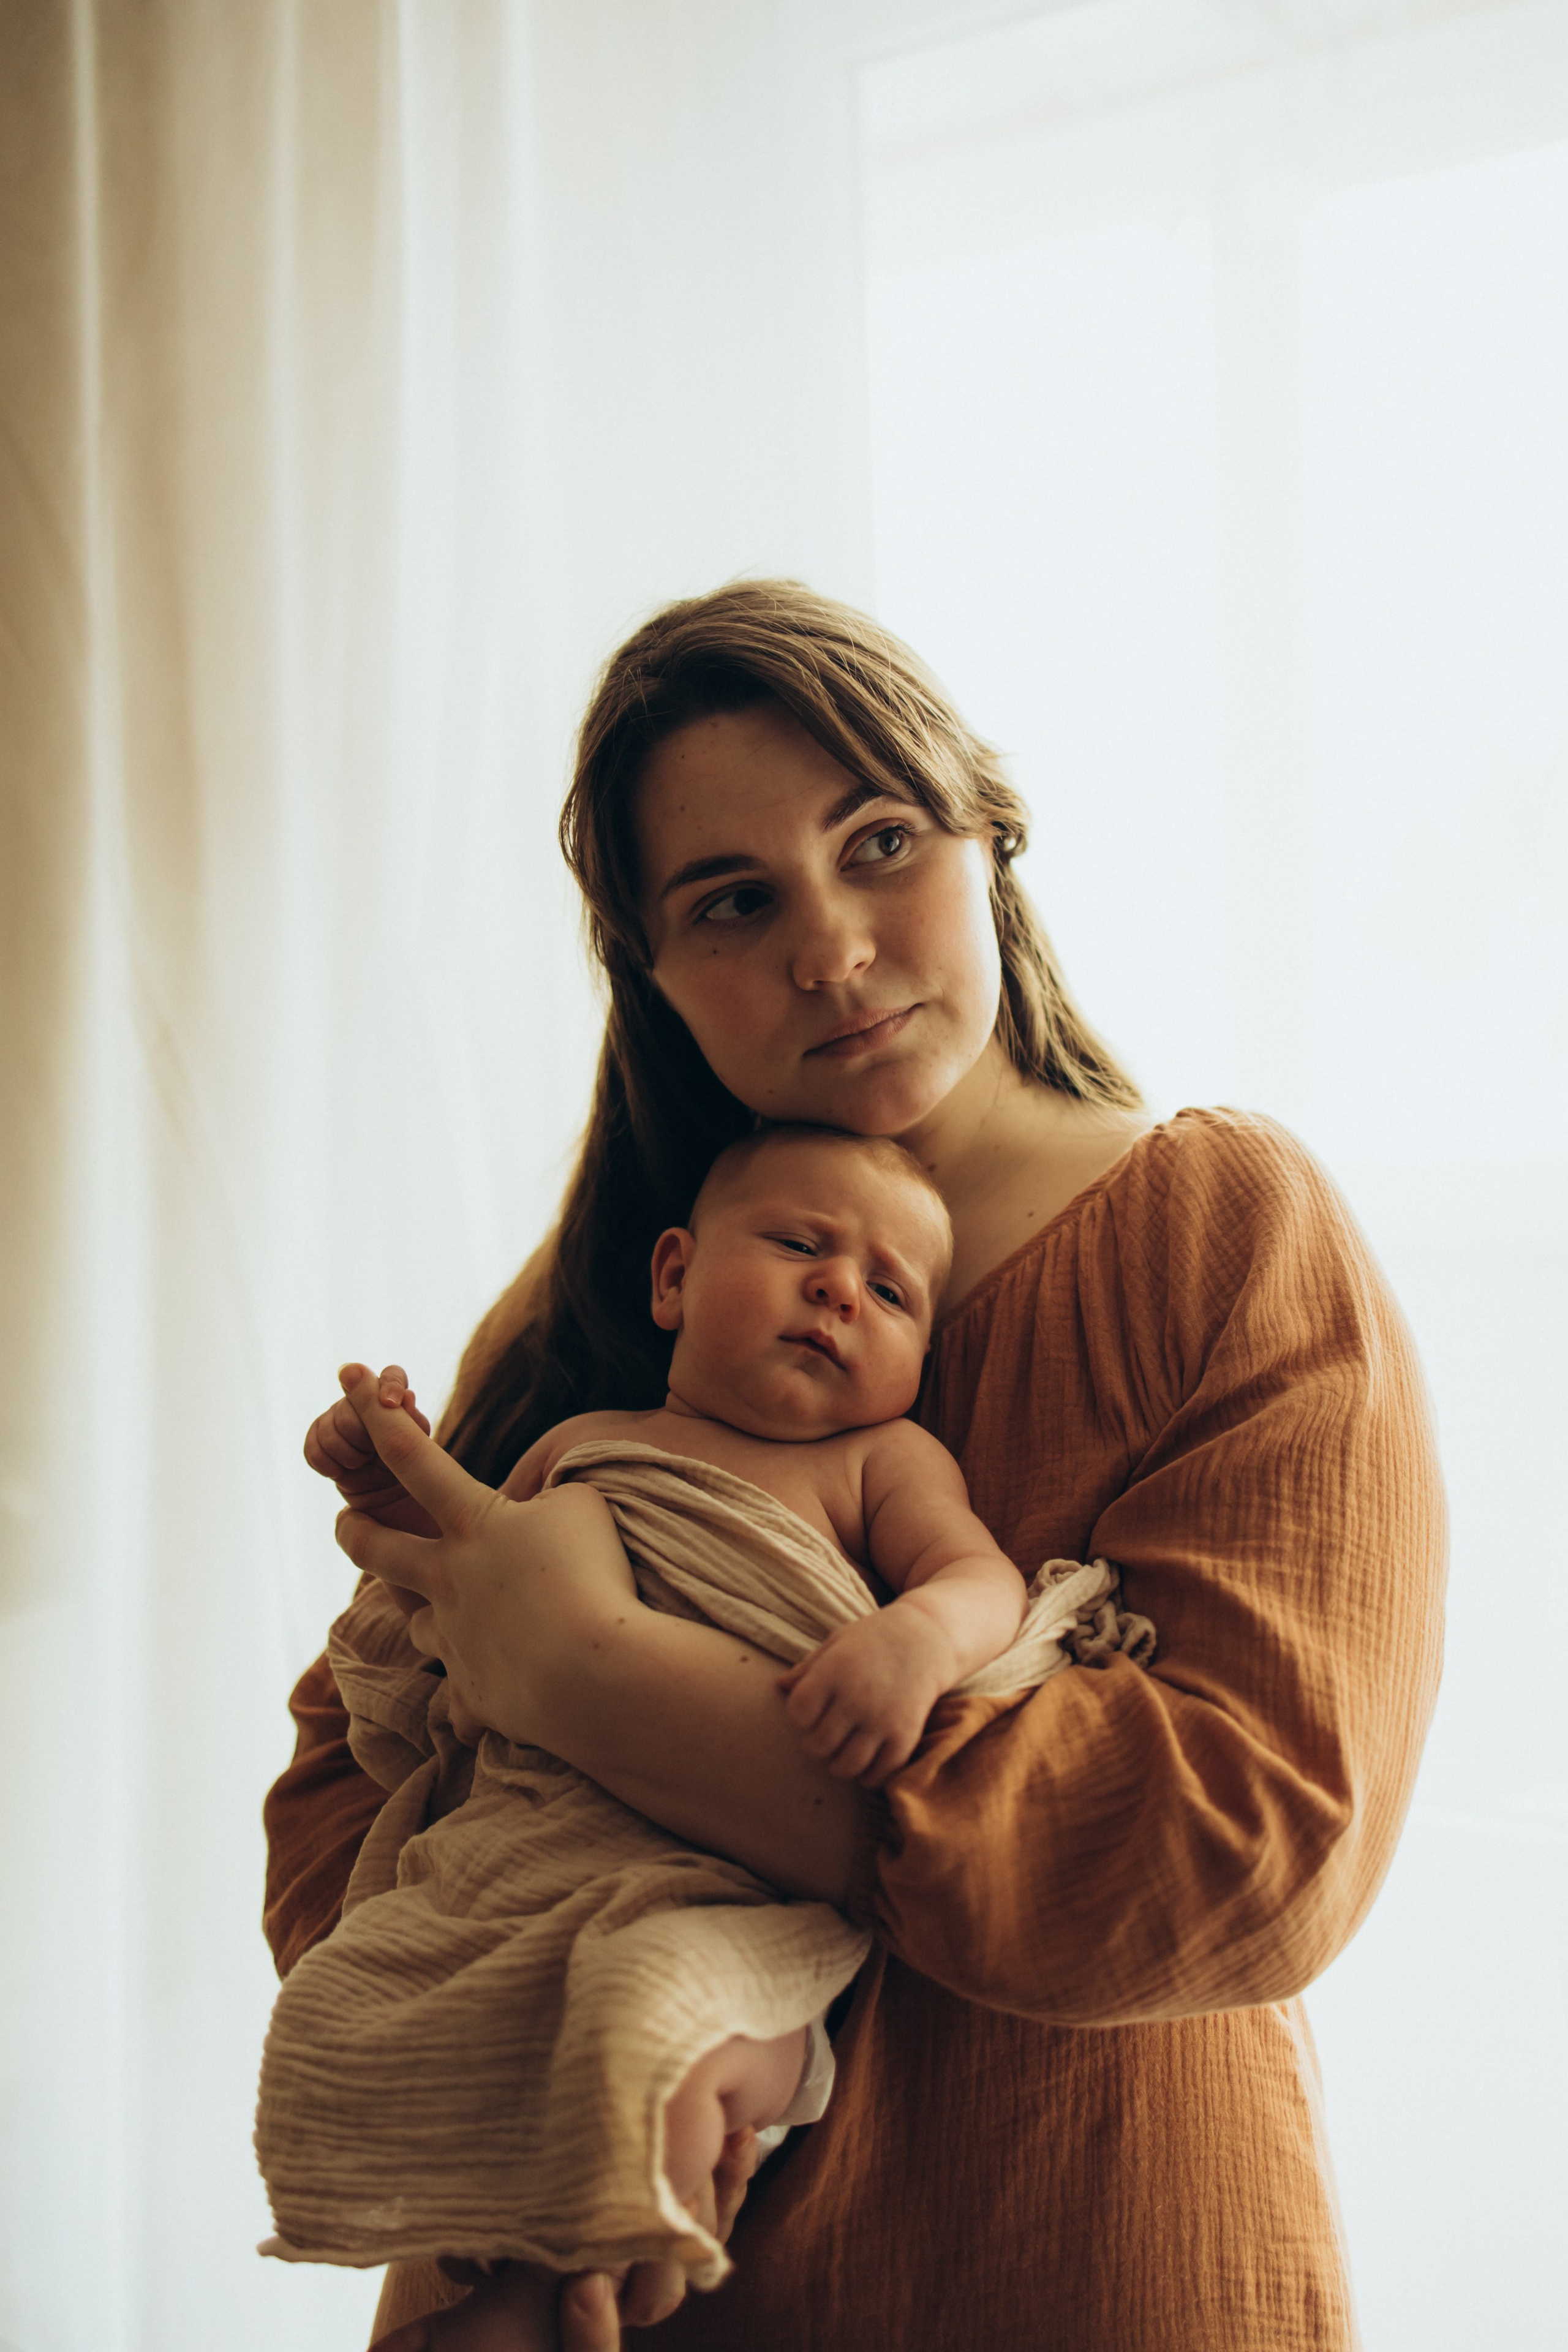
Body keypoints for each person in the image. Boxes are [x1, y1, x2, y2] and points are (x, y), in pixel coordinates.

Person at [262, 580, 1446, 2351]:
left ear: (993, 836)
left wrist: (593, 1676)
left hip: (1087, 2264)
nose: (828, 948)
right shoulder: (592, 1322)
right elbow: (328, 1858)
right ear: (651, 979)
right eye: (732, 904)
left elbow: (1243, 1845)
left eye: (878, 840)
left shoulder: (1222, 1232)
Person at [265, 1126, 1129, 2314]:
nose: (837, 1288)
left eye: (888, 1291)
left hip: (726, 1879)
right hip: (540, 1837)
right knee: (375, 1990)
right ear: (672, 1277)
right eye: (797, 1245)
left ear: (921, 1354)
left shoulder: (879, 1460)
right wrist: (379, 1480)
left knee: (651, 2014)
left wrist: (912, 1639)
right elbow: (457, 1596)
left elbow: (979, 1583)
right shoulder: (581, 1444)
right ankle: (512, 2280)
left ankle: (586, 2282)